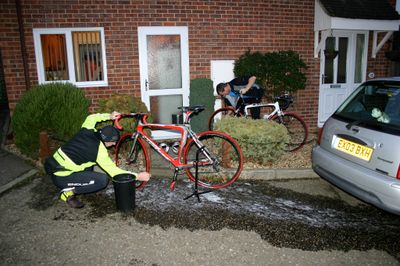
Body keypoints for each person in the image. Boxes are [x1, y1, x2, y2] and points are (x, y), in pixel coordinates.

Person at [44, 111, 151, 208]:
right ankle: (67, 192)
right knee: (102, 180)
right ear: (107, 140)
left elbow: (91, 117)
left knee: (89, 163)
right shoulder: (98, 152)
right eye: (113, 142)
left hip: (53, 165)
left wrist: (109, 116)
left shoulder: (87, 130)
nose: (114, 144)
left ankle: (77, 182)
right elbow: (114, 172)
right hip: (62, 176)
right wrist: (138, 176)